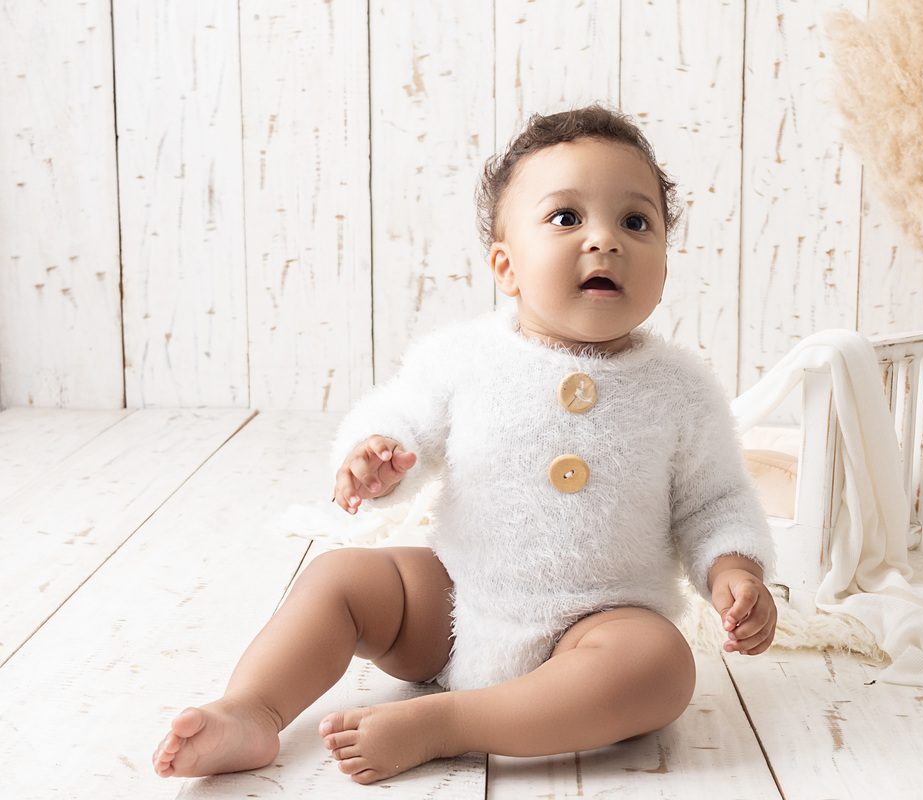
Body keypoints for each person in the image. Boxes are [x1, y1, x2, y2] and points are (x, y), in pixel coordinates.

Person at [152, 104, 777, 786]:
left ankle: (451, 723)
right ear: (506, 267)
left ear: (664, 264)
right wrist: (375, 453)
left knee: (660, 666)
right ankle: (253, 709)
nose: (605, 240)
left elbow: (715, 501)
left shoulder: (681, 388)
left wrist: (733, 571)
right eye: (567, 218)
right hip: (456, 605)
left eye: (636, 221)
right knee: (339, 579)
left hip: (600, 625)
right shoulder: (465, 357)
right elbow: (404, 418)